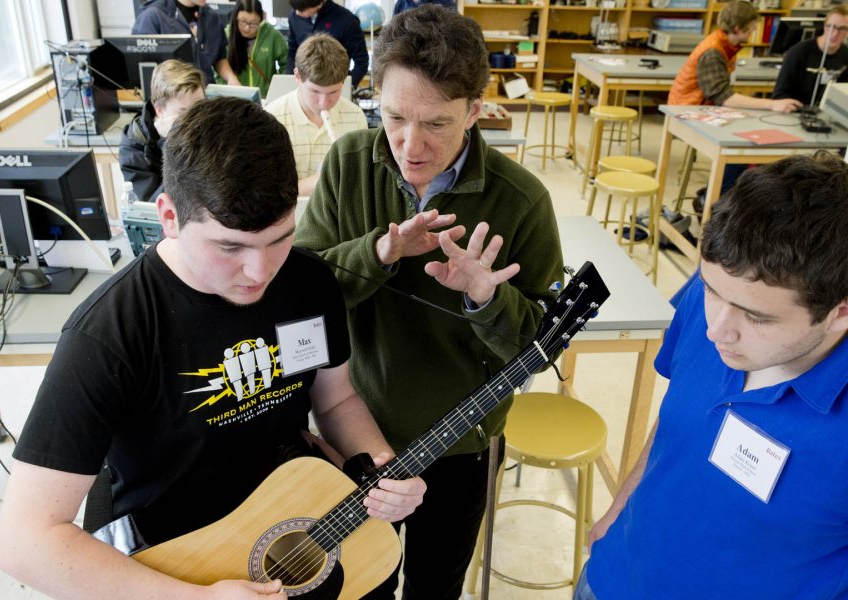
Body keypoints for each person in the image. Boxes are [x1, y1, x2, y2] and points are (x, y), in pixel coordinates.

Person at [0, 97, 426, 599]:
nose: (260, 272)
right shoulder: (108, 335)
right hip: (178, 557)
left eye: (279, 239)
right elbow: (24, 542)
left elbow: (335, 399)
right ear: (169, 216)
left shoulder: (309, 280)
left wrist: (375, 462)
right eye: (229, 247)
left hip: (291, 516)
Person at [294, 6, 563, 598]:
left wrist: (486, 297)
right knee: (358, 582)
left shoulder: (522, 200)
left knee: (434, 585)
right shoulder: (345, 165)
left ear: (474, 109)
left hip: (459, 443)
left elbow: (539, 349)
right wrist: (379, 253)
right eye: (393, 117)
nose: (410, 146)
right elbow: (301, 301)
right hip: (354, 431)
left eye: (437, 124)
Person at [576, 151, 848, 600]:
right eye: (711, 290)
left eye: (757, 319)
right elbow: (678, 418)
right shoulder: (716, 298)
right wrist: (620, 506)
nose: (715, 330)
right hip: (612, 578)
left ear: (838, 314)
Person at [265, 34, 368, 197]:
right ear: (297, 76)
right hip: (289, 217)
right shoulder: (272, 118)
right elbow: (268, 192)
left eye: (334, 92)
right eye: (315, 92)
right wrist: (321, 180)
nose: (324, 103)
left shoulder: (355, 117)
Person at [669, 0, 801, 112]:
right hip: (687, 110)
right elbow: (723, 97)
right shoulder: (713, 52)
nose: (754, 30)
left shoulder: (728, 45)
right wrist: (772, 104)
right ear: (738, 28)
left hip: (700, 106)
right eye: (752, 26)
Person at [119, 59, 205, 203]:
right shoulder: (134, 149)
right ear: (159, 110)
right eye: (184, 112)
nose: (196, 119)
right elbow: (157, 206)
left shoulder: (209, 120)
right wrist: (172, 143)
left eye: (200, 107)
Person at [133, 0, 240, 86]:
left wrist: (230, 77)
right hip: (172, 100)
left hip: (205, 99)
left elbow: (219, 57)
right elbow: (141, 66)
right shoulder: (153, 15)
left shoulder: (212, 17)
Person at [773, 5, 848, 106]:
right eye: (831, 27)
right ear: (824, 25)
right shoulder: (798, 52)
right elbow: (779, 94)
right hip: (796, 112)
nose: (835, 33)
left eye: (842, 29)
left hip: (829, 114)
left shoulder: (846, 55)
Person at [286, 0, 368, 88]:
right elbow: (292, 51)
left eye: (301, 10)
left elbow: (361, 61)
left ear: (319, 3)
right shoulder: (294, 16)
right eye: (295, 8)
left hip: (334, 85)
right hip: (303, 86)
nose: (297, 13)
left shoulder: (348, 21)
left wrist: (346, 87)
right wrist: (290, 80)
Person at [223, 0, 287, 98]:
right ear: (236, 18)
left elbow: (286, 63)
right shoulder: (226, 35)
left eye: (253, 23)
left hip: (265, 98)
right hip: (235, 99)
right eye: (243, 21)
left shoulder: (272, 36)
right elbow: (217, 66)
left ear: (261, 20)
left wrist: (278, 88)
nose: (247, 28)